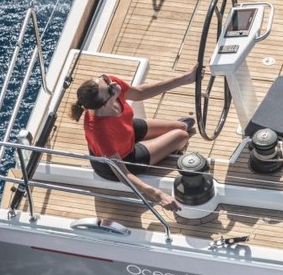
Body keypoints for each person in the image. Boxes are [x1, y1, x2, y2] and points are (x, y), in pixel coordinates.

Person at [69, 65, 198, 211]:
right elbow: (123, 174)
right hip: (123, 159)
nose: (113, 83)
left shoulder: (110, 85)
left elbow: (140, 93)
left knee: (181, 127)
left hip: (126, 129)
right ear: (104, 105)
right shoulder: (99, 132)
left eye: (104, 79)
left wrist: (185, 78)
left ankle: (167, 142)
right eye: (110, 88)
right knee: (182, 136)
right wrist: (158, 195)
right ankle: (172, 146)